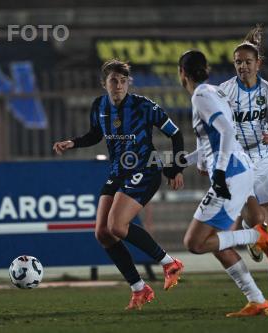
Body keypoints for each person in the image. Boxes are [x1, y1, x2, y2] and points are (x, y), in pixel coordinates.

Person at [53, 59, 185, 310]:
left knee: (117, 225)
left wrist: (175, 168)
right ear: (104, 83)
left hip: (145, 169)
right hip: (118, 171)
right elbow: (95, 135)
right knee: (102, 232)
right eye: (114, 80)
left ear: (129, 83)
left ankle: (169, 263)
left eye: (123, 81)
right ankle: (139, 289)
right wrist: (72, 142)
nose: (119, 85)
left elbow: (175, 133)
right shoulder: (99, 106)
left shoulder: (143, 106)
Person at [176, 49, 268, 317]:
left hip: (230, 174)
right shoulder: (214, 92)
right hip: (238, 171)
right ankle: (257, 301)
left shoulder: (200, 95)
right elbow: (215, 140)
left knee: (195, 243)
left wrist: (218, 172)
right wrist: (180, 161)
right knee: (218, 242)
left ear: (182, 73)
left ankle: (257, 235)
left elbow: (226, 131)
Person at [219, 25, 268, 306]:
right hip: (239, 162)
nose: (243, 66)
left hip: (265, 159)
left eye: (248, 62)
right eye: (238, 62)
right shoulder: (225, 92)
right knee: (256, 220)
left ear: (258, 64)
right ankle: (253, 236)